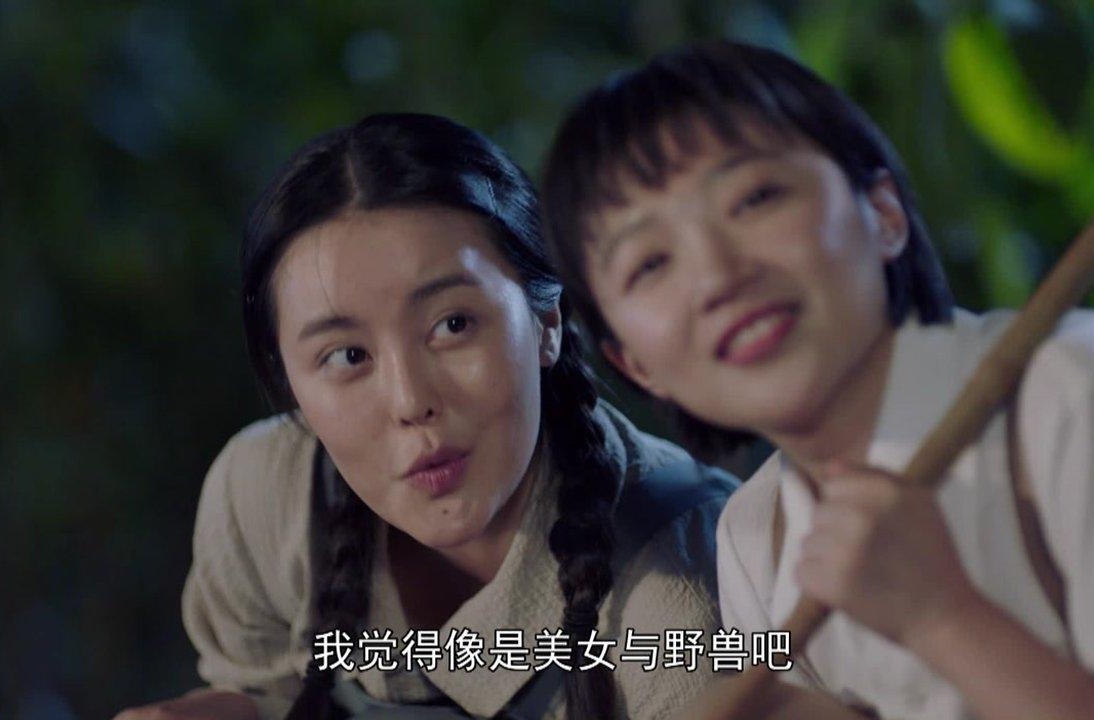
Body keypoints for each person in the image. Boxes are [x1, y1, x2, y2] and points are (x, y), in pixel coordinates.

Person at [539, 40, 1094, 720]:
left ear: (883, 213)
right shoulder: (756, 535)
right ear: (635, 364)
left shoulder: (1091, 393)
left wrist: (942, 617)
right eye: (650, 263)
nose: (718, 275)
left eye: (755, 198)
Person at [114, 113, 740, 720]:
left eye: (453, 324)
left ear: (546, 322)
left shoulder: (687, 594)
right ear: (291, 383)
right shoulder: (265, 493)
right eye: (347, 356)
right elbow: (265, 687)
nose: (411, 401)